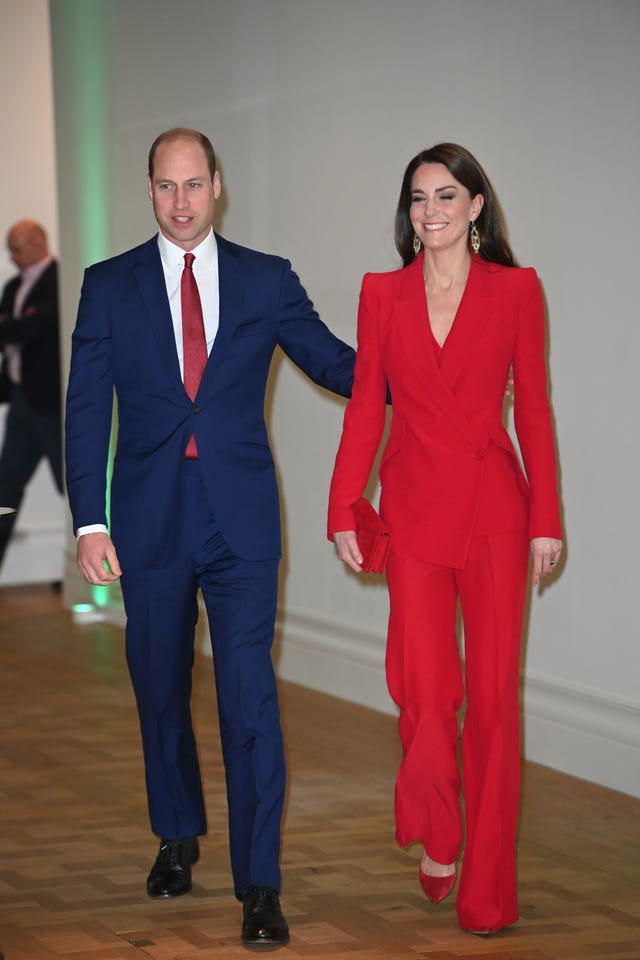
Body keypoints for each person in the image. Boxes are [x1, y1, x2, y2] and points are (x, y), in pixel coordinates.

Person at [65, 128, 355, 949]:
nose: (182, 202)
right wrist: (90, 520)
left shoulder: (266, 279)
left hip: (241, 519)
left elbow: (334, 363)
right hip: (150, 516)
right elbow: (87, 405)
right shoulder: (109, 286)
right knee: (159, 689)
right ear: (149, 190)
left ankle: (259, 883)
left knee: (249, 700)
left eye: (195, 185)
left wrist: (427, 373)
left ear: (218, 185)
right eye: (166, 186)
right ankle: (177, 832)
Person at [328, 143, 563, 936]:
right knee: (425, 691)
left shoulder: (516, 291)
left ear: (476, 207)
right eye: (419, 199)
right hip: (417, 513)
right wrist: (342, 504)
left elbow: (532, 407)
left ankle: (487, 894)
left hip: (497, 512)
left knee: (494, 706)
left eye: (447, 196)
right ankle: (441, 824)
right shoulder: (381, 293)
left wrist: (547, 519)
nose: (431, 211)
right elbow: (367, 405)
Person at [0, 220, 63, 570]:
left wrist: (16, 327)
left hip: (51, 404)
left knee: (69, 484)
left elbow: (31, 329)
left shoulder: (59, 281)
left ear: (38, 243)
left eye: (17, 248)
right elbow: (10, 334)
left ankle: (86, 562)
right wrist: (16, 327)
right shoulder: (12, 287)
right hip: (22, 400)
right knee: (4, 488)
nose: (11, 257)